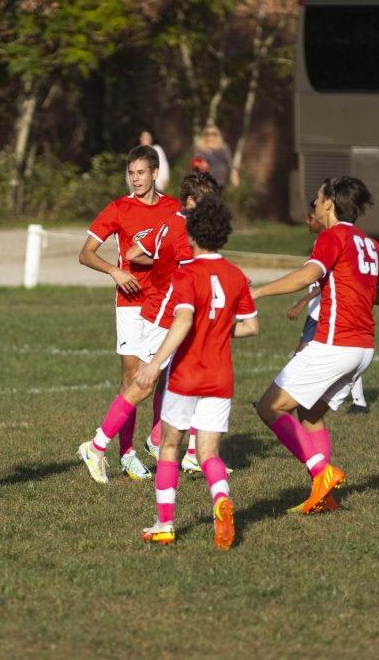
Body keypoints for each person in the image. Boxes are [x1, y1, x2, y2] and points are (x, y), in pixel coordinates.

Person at [252, 177, 379, 515]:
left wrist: (257, 292)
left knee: (269, 407)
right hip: (362, 349)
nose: (314, 205)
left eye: (317, 199)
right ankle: (324, 495)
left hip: (336, 343)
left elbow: (306, 276)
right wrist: (359, 295)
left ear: (330, 203)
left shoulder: (332, 237)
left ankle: (322, 472)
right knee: (311, 413)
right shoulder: (368, 242)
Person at [77, 170, 220, 484]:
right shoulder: (183, 230)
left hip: (168, 311)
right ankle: (97, 446)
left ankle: (181, 448)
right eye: (206, 204)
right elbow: (193, 275)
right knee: (143, 384)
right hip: (165, 317)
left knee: (193, 379)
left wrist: (159, 261)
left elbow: (136, 253)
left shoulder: (171, 222)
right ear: (192, 201)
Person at [135, 196, 258, 549]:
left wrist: (155, 363)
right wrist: (219, 329)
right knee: (209, 454)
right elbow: (250, 327)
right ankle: (220, 498)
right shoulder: (236, 275)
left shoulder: (187, 274)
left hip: (187, 376)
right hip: (221, 379)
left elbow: (184, 320)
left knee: (170, 447)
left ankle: (165, 523)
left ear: (191, 234)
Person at [78, 146, 181, 480]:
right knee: (132, 378)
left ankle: (153, 439)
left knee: (160, 375)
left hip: (164, 302)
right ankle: (126, 453)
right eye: (131, 173)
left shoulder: (173, 209)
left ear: (154, 173)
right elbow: (86, 254)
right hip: (131, 303)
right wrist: (114, 270)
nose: (135, 179)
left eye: (141, 173)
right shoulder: (119, 209)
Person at [285, 200, 370, 414]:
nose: (307, 221)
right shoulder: (354, 240)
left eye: (311, 216)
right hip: (351, 333)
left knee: (273, 407)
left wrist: (300, 302)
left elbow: (315, 281)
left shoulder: (331, 239)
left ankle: (283, 399)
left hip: (325, 314)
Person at [193, 124, 238, 189]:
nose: (210, 136)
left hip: (219, 181)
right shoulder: (200, 148)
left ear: (217, 135)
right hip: (204, 180)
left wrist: (234, 175)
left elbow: (230, 163)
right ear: (204, 135)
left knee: (214, 198)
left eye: (213, 134)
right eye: (208, 133)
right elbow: (195, 163)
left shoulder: (223, 148)